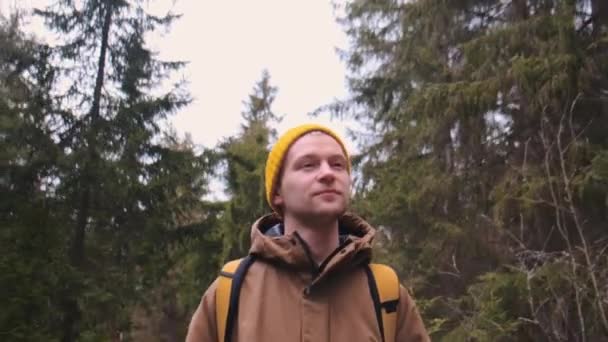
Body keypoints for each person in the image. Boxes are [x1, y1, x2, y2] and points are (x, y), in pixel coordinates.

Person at [186, 123, 430, 342]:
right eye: (308, 165)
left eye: (337, 164)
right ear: (277, 192)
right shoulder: (231, 290)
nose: (327, 173)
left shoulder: (386, 293)